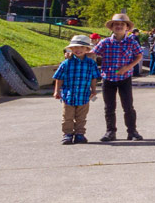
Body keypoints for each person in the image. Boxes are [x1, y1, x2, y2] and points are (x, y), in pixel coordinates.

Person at [93, 12, 144, 142]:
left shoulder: (131, 42)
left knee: (128, 106)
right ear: (111, 27)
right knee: (109, 106)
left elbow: (139, 56)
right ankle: (110, 131)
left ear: (127, 27)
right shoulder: (105, 43)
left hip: (125, 78)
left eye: (122, 24)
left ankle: (132, 131)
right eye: (116, 24)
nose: (119, 26)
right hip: (108, 78)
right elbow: (92, 54)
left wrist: (128, 67)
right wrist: (75, 54)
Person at [52, 34, 100, 145]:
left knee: (81, 117)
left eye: (81, 48)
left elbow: (94, 77)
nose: (78, 50)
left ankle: (80, 134)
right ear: (71, 49)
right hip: (69, 95)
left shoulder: (91, 63)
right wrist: (57, 91)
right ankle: (67, 134)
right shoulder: (66, 63)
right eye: (75, 48)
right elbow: (59, 77)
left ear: (87, 49)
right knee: (67, 116)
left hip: (84, 95)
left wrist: (93, 90)